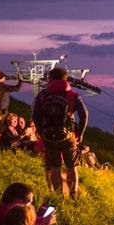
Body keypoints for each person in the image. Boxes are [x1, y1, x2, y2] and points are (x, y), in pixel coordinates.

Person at [32, 68, 89, 198]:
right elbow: (84, 115)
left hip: (48, 135)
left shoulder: (43, 95)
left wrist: (41, 131)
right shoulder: (73, 95)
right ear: (65, 79)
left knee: (55, 167)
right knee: (72, 166)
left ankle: (59, 197)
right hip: (68, 135)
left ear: (50, 79)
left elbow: (36, 116)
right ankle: (73, 194)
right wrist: (80, 132)